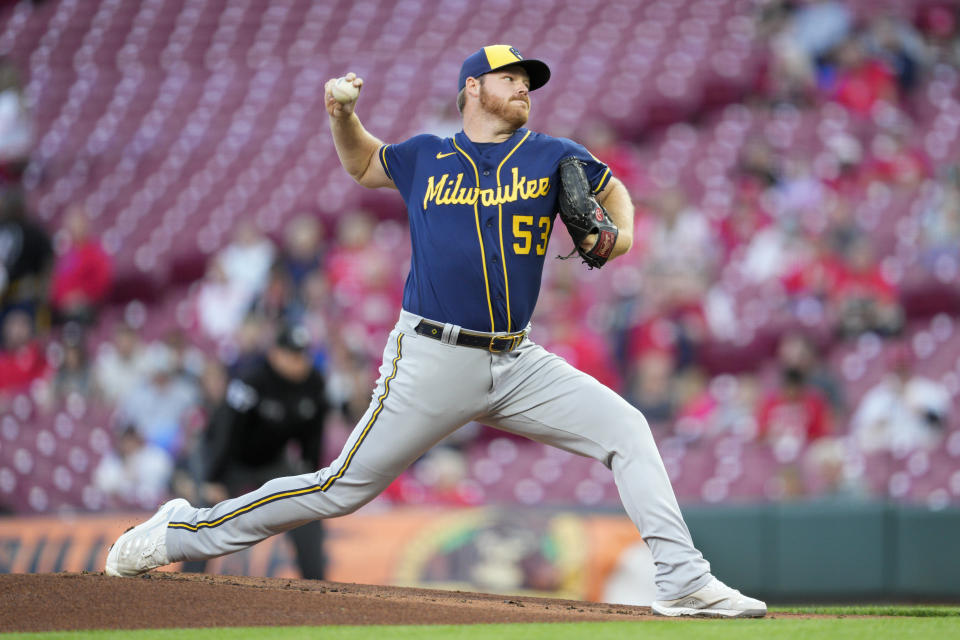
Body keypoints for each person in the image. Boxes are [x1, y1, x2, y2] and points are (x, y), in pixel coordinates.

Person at [105, 45, 766, 618]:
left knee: (627, 430)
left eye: (529, 83)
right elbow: (364, 165)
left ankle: (683, 581)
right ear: (471, 89)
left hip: (518, 360)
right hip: (432, 356)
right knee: (339, 488)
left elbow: (613, 191)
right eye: (510, 79)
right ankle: (182, 533)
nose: (524, 90)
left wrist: (615, 236)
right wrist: (342, 116)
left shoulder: (551, 155)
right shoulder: (427, 155)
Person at [198, 324, 329, 579]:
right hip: (229, 458)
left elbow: (313, 437)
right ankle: (186, 582)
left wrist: (310, 478)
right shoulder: (251, 380)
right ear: (275, 354)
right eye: (292, 354)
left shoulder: (315, 383)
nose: (299, 361)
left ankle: (316, 584)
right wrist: (214, 478)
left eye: (303, 354)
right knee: (207, 513)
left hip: (272, 460)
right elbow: (227, 429)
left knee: (308, 508)